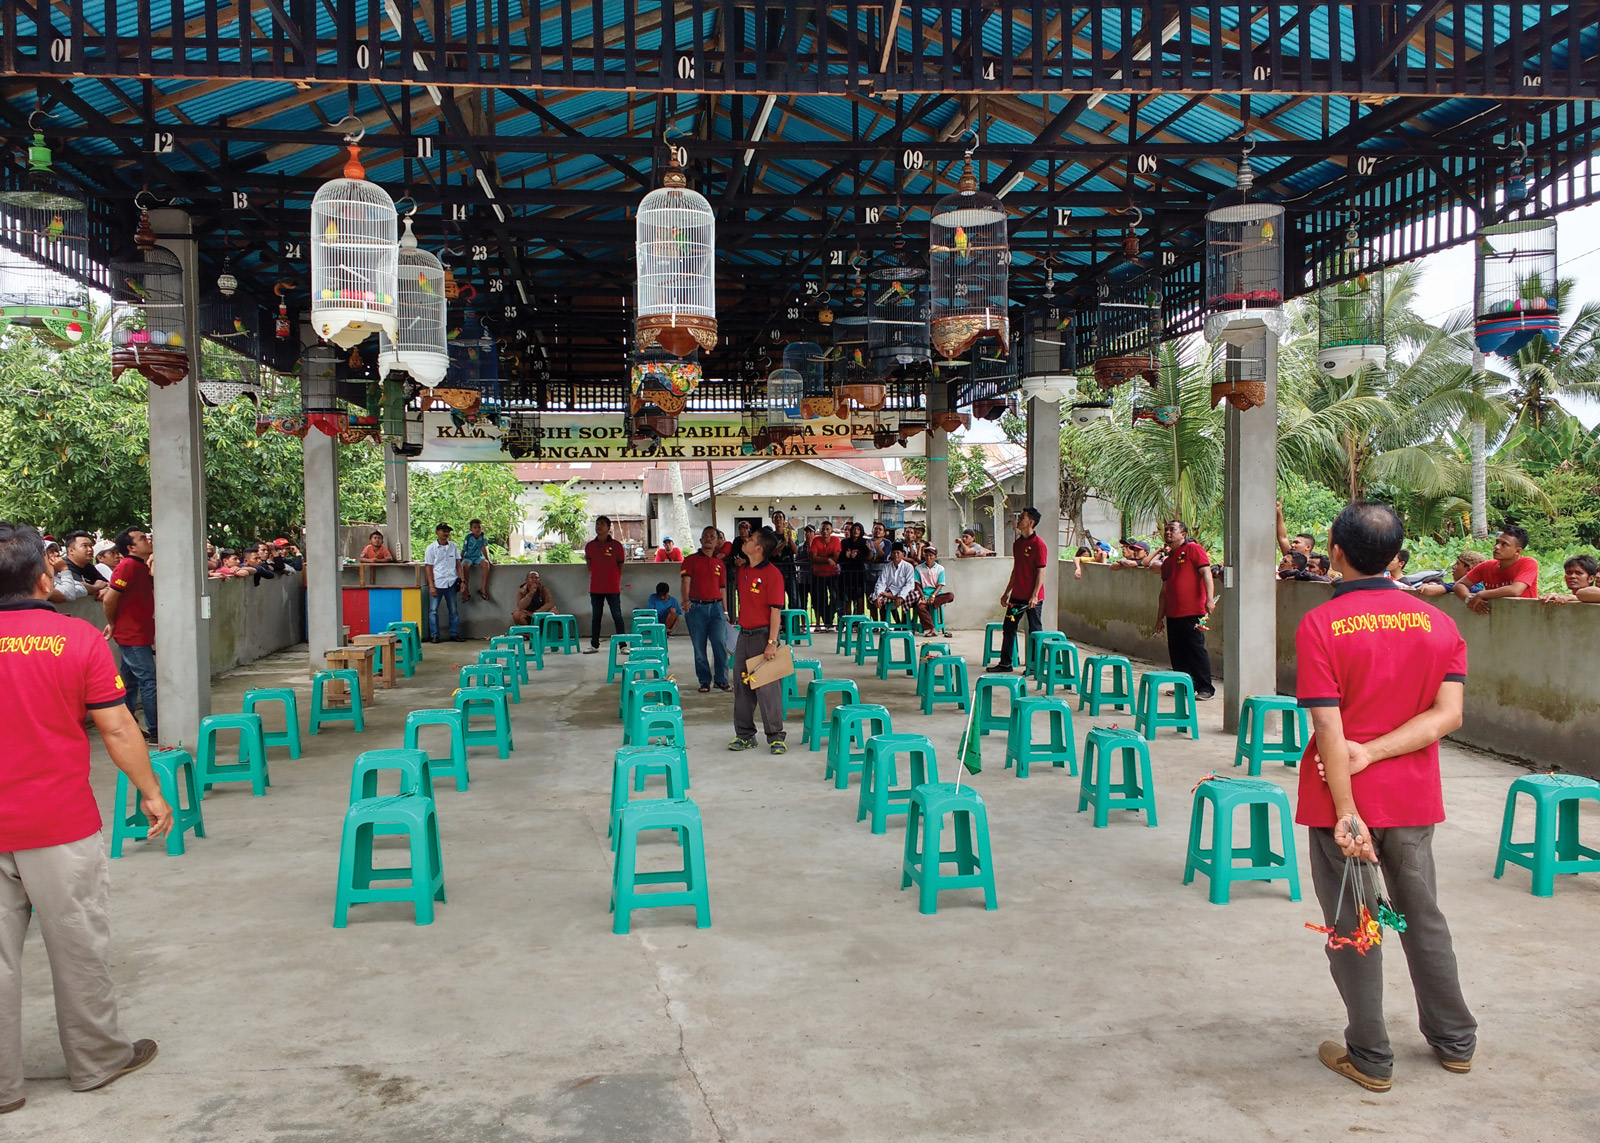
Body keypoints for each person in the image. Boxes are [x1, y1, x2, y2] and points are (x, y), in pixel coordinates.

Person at [1295, 501, 1475, 1092]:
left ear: (1336, 552)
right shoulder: (1440, 624)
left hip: (1340, 800)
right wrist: (1377, 752)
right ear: (1399, 557)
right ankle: (1455, 1042)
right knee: (1422, 915)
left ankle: (1370, 1056)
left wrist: (1348, 809)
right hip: (1413, 797)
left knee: (1354, 921)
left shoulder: (1321, 625)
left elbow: (1328, 729)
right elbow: (1448, 715)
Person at [0, 522, 168, 1113]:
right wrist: (149, 789)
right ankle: (97, 1061)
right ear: (44, 579)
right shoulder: (78, 639)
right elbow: (117, 725)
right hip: (59, 825)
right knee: (78, 947)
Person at [728, 526, 787, 754]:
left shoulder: (773, 574)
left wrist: (772, 643)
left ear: (759, 548)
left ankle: (776, 737)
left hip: (764, 636)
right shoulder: (743, 571)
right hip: (744, 636)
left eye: (751, 538)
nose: (746, 540)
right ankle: (744, 735)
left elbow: (775, 611)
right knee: (742, 687)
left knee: (768, 689)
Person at [102, 528, 157, 742]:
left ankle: (126, 725)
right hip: (131, 634)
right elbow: (109, 598)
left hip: (138, 632)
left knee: (130, 681)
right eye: (142, 538)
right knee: (148, 680)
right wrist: (113, 623)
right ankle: (155, 731)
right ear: (131, 547)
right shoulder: (126, 567)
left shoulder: (139, 567)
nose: (148, 540)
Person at [1153, 519, 1216, 700]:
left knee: (1195, 649)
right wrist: (1159, 618)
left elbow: (1206, 573)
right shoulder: (1167, 561)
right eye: (1166, 530)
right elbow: (1164, 592)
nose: (1168, 533)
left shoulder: (1193, 550)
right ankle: (1183, 684)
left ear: (1183, 534)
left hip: (1192, 611)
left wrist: (1209, 599)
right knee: (1177, 651)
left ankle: (1205, 687)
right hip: (1173, 613)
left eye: (1172, 529)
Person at [993, 507, 1049, 673]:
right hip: (1016, 597)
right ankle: (1005, 663)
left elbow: (1041, 571)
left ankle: (1034, 667)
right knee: (1009, 627)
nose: (1019, 520)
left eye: (1022, 517)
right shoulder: (1018, 544)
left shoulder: (1039, 545)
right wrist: (1006, 592)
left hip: (1033, 599)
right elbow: (1016, 570)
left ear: (1030, 523)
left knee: (1034, 631)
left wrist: (1034, 595)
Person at [681, 525, 731, 693]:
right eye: (705, 535)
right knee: (699, 646)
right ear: (701, 540)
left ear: (717, 542)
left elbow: (722, 589)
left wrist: (725, 611)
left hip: (716, 608)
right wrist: (686, 600)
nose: (709, 538)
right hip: (696, 608)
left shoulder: (719, 564)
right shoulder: (690, 560)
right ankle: (704, 680)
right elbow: (686, 581)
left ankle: (721, 680)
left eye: (712, 536)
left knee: (720, 644)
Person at [1453, 526, 1537, 616]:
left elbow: (1515, 590)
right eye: (1497, 542)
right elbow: (1459, 584)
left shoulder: (1528, 563)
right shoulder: (1487, 566)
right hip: (1495, 620)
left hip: (1526, 618)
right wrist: (1468, 599)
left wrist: (1481, 594)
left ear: (1517, 551)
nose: (1496, 547)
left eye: (1504, 544)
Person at [583, 515, 627, 653]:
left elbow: (620, 565)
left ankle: (623, 645)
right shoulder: (590, 546)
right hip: (595, 587)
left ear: (608, 528)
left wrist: (615, 579)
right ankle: (594, 644)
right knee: (596, 616)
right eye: (597, 524)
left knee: (617, 616)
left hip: (612, 587)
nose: (599, 526)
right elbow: (589, 564)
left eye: (602, 524)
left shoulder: (616, 546)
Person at [422, 522, 464, 643]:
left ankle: (454, 634)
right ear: (437, 532)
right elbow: (428, 567)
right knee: (433, 611)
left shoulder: (453, 547)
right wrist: (431, 585)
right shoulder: (431, 548)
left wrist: (462, 580)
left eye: (447, 531)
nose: (445, 533)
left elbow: (458, 564)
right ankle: (435, 635)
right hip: (437, 583)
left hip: (451, 582)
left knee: (453, 610)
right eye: (443, 531)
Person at [868, 543, 918, 623]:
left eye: (898, 553)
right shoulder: (887, 567)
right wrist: (878, 596)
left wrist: (900, 596)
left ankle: (905, 623)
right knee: (873, 598)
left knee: (913, 595)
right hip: (890, 591)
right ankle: (885, 624)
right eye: (893, 553)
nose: (896, 555)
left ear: (903, 554)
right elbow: (881, 582)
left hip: (904, 593)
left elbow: (909, 585)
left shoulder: (908, 567)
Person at [807, 520, 841, 632]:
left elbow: (836, 557)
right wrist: (827, 559)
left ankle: (828, 620)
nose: (825, 531)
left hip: (833, 573)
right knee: (821, 599)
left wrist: (822, 559)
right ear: (820, 531)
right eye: (823, 529)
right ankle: (827, 623)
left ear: (831, 531)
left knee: (835, 597)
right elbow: (813, 557)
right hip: (818, 574)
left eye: (827, 529)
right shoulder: (816, 540)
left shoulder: (836, 540)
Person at [914, 546, 953, 636]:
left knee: (951, 595)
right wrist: (922, 595)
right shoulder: (918, 568)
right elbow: (917, 584)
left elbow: (940, 585)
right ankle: (932, 628)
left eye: (931, 555)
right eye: (926, 555)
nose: (928, 558)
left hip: (936, 594)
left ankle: (934, 603)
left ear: (935, 556)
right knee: (920, 607)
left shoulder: (940, 569)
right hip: (924, 594)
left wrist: (933, 596)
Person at [1416, 550, 1488, 598]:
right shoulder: (1480, 587)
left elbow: (1427, 591)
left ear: (1470, 569)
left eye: (1457, 564)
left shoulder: (1463, 586)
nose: (1454, 567)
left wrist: (1428, 585)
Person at [838, 521, 870, 618]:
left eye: (858, 529)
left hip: (859, 574)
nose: (856, 531)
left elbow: (866, 558)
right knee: (847, 599)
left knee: (859, 598)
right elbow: (839, 558)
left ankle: (858, 621)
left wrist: (856, 556)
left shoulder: (864, 542)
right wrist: (846, 556)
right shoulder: (844, 542)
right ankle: (848, 621)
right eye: (854, 529)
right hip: (846, 574)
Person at [60, 532, 107, 598]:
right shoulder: (64, 566)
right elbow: (81, 587)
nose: (90, 549)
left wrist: (106, 589)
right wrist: (97, 587)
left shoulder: (87, 565)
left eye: (91, 546)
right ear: (71, 551)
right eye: (84, 546)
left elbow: (106, 583)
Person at [770, 511, 798, 620]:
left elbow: (795, 551)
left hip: (789, 569)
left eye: (780, 517)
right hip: (776, 571)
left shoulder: (790, 533)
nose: (778, 519)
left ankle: (793, 623)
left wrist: (789, 539)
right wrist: (783, 543)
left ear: (784, 520)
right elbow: (773, 553)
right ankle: (781, 623)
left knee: (794, 598)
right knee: (779, 598)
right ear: (773, 521)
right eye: (776, 517)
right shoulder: (771, 536)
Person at [461, 518, 494, 601]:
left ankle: (483, 589)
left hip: (478, 557)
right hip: (468, 557)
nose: (477, 529)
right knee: (466, 566)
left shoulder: (482, 536)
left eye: (479, 527)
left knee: (486, 564)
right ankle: (466, 590)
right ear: (471, 529)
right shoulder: (468, 537)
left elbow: (483, 548)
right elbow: (464, 549)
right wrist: (460, 559)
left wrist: (488, 559)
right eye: (475, 527)